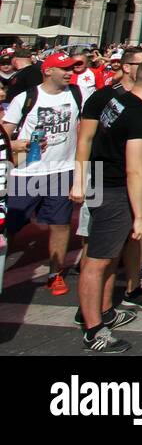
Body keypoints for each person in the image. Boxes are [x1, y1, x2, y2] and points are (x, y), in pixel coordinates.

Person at [71, 57, 142, 353]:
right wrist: (140, 216)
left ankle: (105, 311)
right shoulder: (138, 113)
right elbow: (135, 169)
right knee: (97, 260)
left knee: (107, 255)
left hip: (103, 181)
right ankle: (93, 329)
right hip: (114, 189)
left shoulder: (118, 101)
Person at [2, 50, 83, 296]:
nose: (70, 73)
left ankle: (54, 274)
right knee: (10, 227)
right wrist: (18, 144)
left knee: (60, 224)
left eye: (72, 68)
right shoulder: (27, 97)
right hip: (27, 173)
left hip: (63, 169)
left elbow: (85, 131)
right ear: (48, 71)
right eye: (65, 69)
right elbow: (5, 133)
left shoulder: (77, 94)